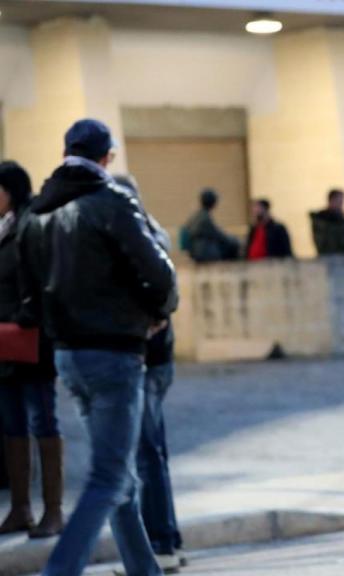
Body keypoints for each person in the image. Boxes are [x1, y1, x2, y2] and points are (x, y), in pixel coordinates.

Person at [22, 118, 177, 576]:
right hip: (114, 355)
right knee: (109, 478)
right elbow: (160, 275)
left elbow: (28, 293)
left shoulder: (36, 213)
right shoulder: (111, 203)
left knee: (118, 476)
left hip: (67, 356)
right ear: (106, 156)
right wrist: (157, 313)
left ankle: (143, 570)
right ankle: (61, 569)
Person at [113, 176, 184, 573]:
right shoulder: (151, 231)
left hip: (149, 358)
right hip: (157, 358)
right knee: (152, 452)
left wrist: (147, 321)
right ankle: (166, 538)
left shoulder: (143, 236)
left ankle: (161, 542)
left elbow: (163, 294)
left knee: (147, 453)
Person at [0, 160, 63, 538]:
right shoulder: (5, 226)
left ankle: (52, 510)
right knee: (12, 424)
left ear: (11, 190)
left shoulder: (30, 224)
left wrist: (25, 316)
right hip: (6, 341)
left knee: (43, 421)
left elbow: (42, 280)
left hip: (31, 339)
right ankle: (21, 508)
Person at [182, 187, 239, 263]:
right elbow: (218, 235)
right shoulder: (205, 218)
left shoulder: (197, 216)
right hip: (204, 252)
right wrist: (234, 241)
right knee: (233, 247)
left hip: (197, 250)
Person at [310, 188, 344, 256]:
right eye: (340, 202)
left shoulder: (341, 218)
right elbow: (324, 242)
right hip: (330, 257)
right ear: (332, 200)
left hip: (343, 257)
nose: (342, 205)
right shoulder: (322, 219)